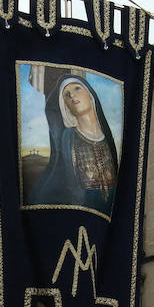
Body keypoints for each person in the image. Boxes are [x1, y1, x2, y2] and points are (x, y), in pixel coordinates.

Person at [29, 75, 119, 215]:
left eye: (77, 88)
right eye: (66, 95)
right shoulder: (68, 137)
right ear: (65, 106)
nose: (72, 94)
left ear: (90, 95)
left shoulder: (109, 139)